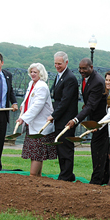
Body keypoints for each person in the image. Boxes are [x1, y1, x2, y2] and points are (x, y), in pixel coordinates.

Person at [66, 58, 109, 185]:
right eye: (80, 68)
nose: (81, 71)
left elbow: (91, 106)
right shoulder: (88, 79)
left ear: (91, 67)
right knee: (99, 150)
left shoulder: (97, 82)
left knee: (98, 151)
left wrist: (75, 120)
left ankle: (97, 180)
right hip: (94, 119)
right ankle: (104, 178)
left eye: (84, 68)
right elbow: (89, 103)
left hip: (101, 122)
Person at [17, 63, 57, 176]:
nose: (33, 74)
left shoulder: (42, 86)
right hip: (33, 125)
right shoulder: (31, 84)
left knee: (37, 153)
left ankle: (33, 176)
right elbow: (28, 100)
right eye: (31, 72)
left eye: (35, 72)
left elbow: (37, 106)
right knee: (35, 153)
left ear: (41, 73)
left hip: (41, 126)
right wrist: (23, 107)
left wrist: (23, 118)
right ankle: (36, 177)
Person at [47, 51, 79, 181]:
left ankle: (66, 175)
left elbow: (65, 101)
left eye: (59, 63)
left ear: (66, 62)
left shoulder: (70, 78)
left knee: (66, 147)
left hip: (67, 119)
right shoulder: (59, 76)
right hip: (60, 118)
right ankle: (65, 173)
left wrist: (53, 115)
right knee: (60, 146)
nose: (57, 66)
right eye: (55, 63)